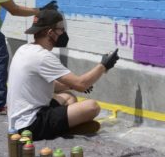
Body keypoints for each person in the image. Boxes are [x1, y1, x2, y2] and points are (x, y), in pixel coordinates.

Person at [7, 9, 119, 140]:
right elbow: (81, 85)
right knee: (92, 107)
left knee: (68, 97)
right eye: (60, 29)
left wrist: (70, 86)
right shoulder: (42, 57)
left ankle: (62, 126)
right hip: (31, 125)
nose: (63, 33)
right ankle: (61, 128)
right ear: (50, 33)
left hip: (18, 120)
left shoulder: (24, 49)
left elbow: (53, 85)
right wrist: (103, 66)